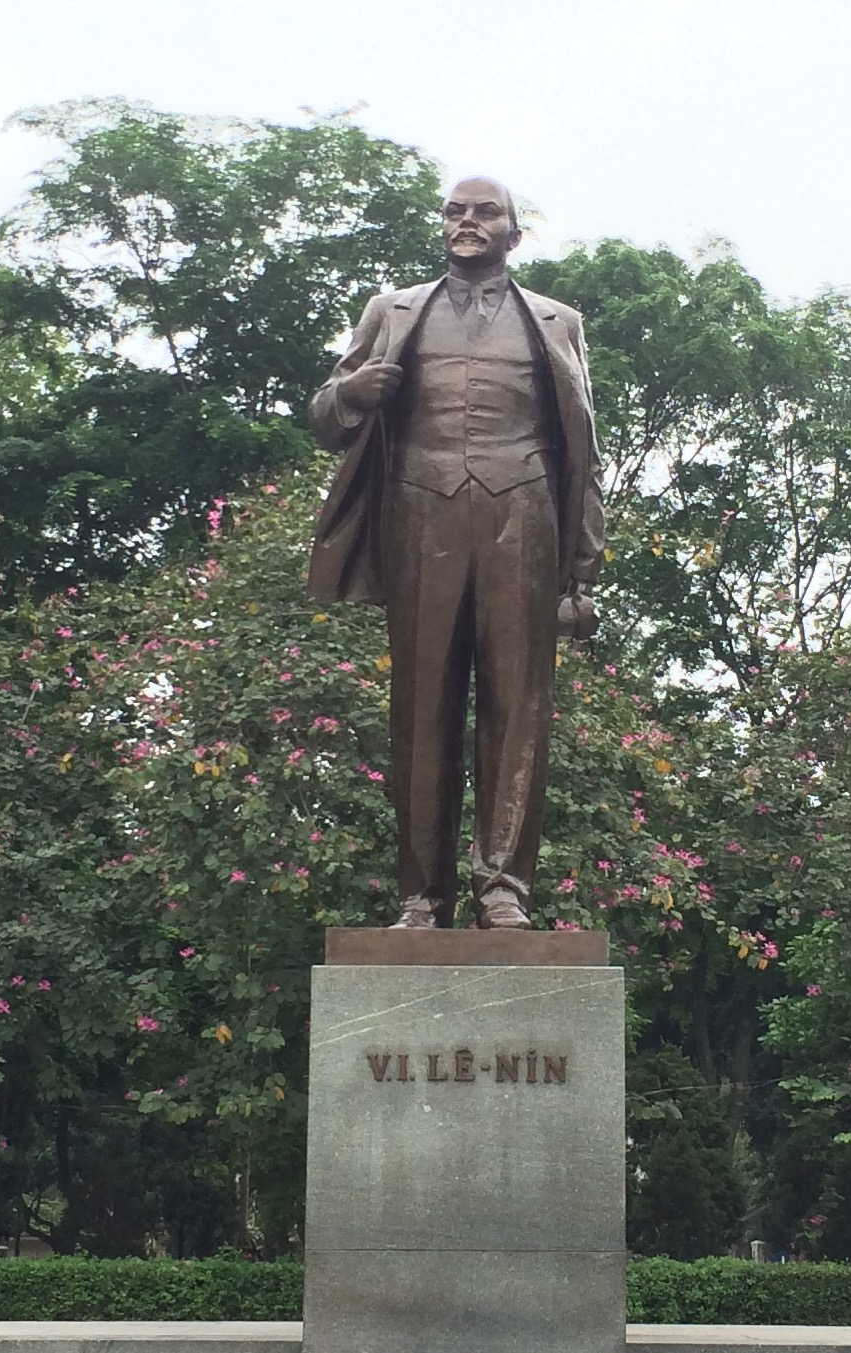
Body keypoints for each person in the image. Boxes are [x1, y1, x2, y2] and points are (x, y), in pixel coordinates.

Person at [307, 177, 603, 929]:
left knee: (517, 707)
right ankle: (422, 895)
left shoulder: (558, 321)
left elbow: (584, 451)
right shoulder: (392, 311)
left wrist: (582, 572)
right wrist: (353, 393)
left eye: (485, 212)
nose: (467, 222)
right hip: (419, 515)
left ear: (513, 233)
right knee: (421, 706)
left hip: (525, 517)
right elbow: (325, 417)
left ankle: (503, 889)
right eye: (455, 211)